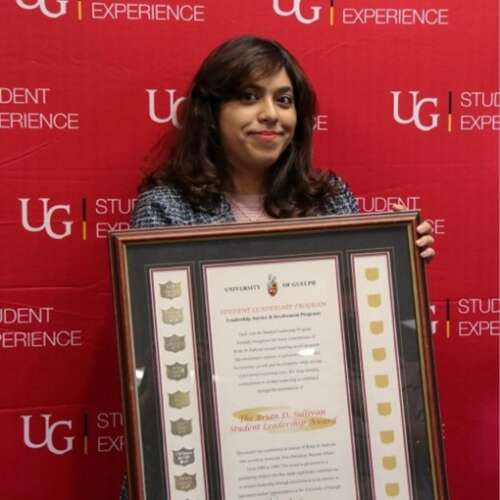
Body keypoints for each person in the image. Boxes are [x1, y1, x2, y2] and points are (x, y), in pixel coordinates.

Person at [120, 35, 434, 500]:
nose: (271, 114)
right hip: (217, 447)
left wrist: (398, 272)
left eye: (283, 100)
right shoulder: (166, 210)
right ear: (212, 113)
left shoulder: (329, 200)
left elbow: (361, 334)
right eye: (249, 97)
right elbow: (161, 365)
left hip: (319, 446)